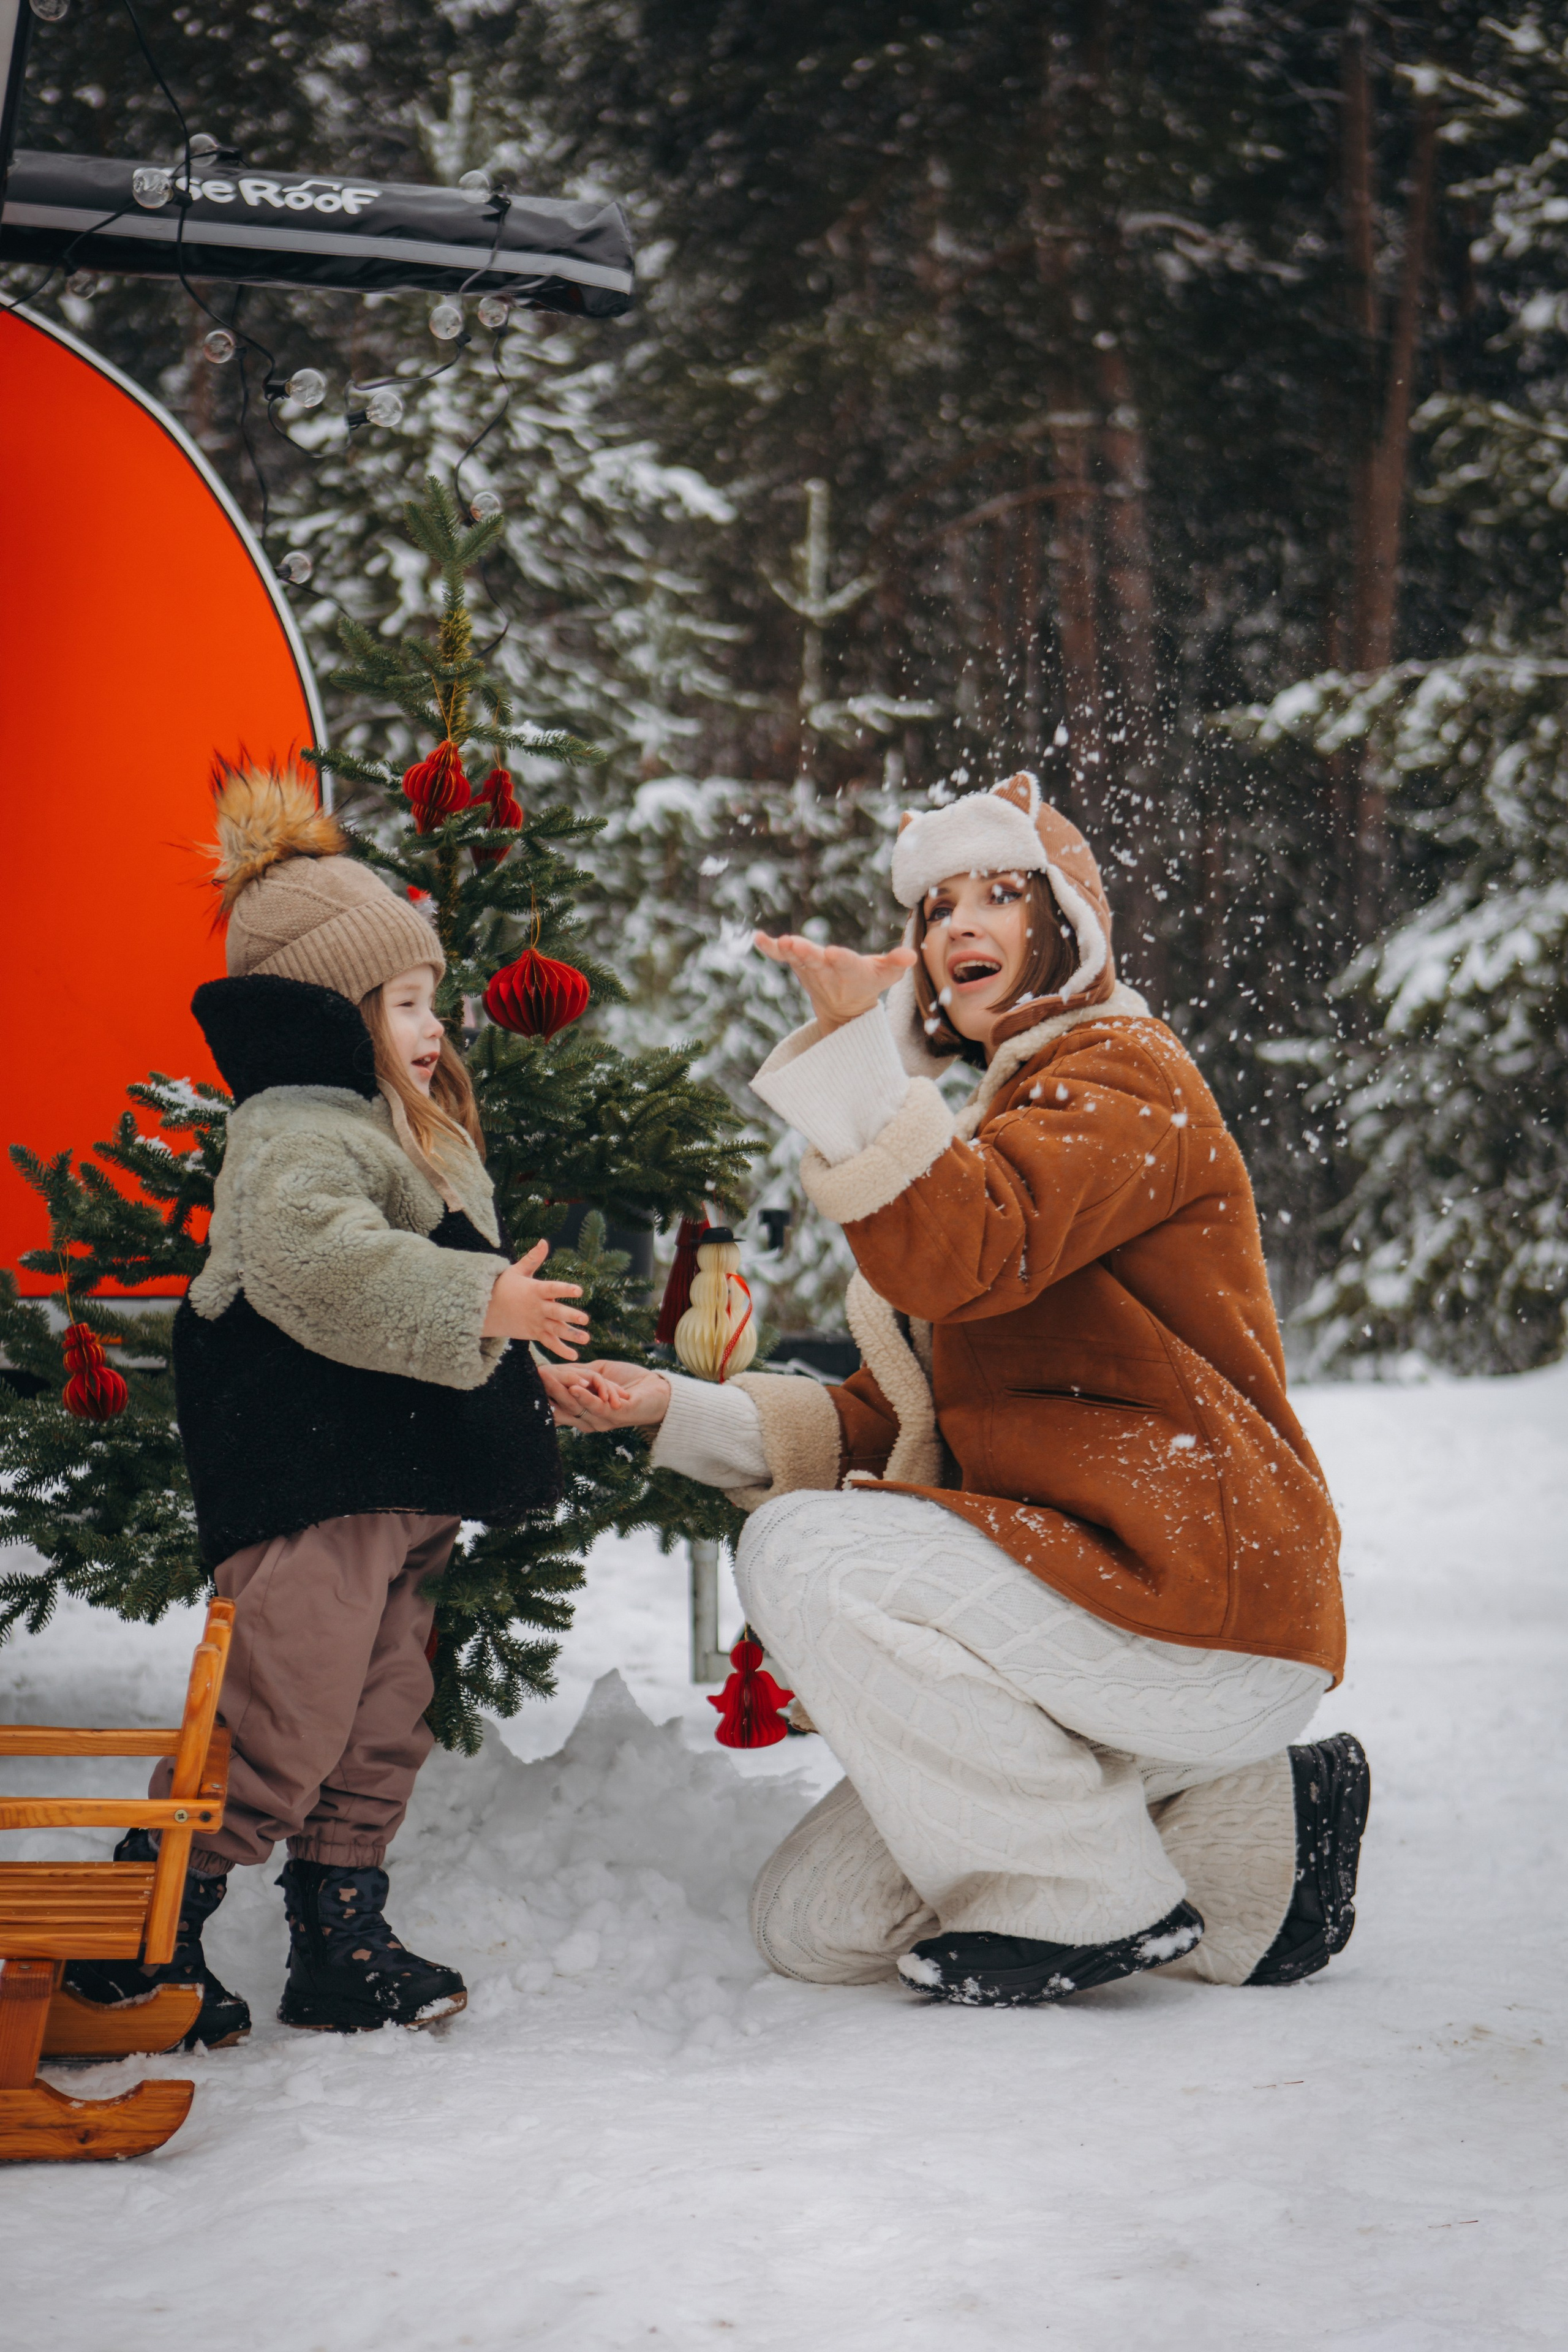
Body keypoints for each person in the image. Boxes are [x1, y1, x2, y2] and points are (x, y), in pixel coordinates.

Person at [560, 771, 1369, 2008]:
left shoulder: (1121, 1074)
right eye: (935, 908)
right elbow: (900, 1424)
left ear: (1068, 926)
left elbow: (968, 1249)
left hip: (1194, 1598)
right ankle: (1246, 1832)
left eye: (999, 893)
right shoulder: (994, 1125)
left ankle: (1076, 1897)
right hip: (1090, 1616)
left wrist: (852, 1062)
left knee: (806, 1553)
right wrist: (667, 1409)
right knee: (813, 1925)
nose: (956, 926)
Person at [67, 768, 622, 2041]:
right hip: (311, 1485)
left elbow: (432, 1295)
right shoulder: (294, 1133)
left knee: (382, 1720)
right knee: (281, 1713)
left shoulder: (398, 1129)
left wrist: (529, 1364)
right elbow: (328, 1272)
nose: (436, 1025)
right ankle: (140, 1941)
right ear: (325, 1010)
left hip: (398, 1479)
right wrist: (483, 1305)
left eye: (436, 999)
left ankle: (338, 1934)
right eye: (405, 1001)